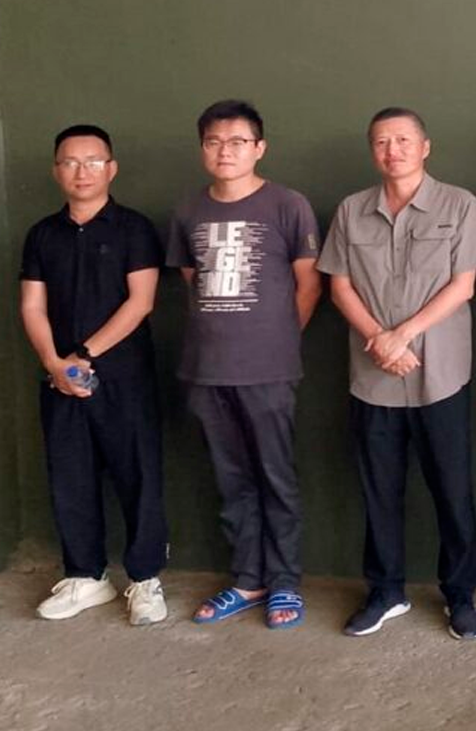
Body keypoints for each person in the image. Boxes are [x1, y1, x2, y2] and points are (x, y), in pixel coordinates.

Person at [318, 107, 476, 640]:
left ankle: (460, 596)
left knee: (452, 491)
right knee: (379, 492)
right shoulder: (352, 210)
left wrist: (404, 334)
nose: (392, 150)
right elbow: (339, 287)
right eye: (381, 142)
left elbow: (463, 285)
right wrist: (380, 338)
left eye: (402, 140)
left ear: (425, 147)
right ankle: (385, 591)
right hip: (373, 375)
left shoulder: (459, 204)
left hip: (440, 374)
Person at [167, 100, 322, 630]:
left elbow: (308, 285)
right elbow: (192, 280)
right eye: (213, 142)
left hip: (269, 370)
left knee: (275, 477)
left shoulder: (288, 205)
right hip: (205, 370)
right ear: (202, 149)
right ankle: (248, 579)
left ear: (259, 148)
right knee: (231, 480)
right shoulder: (188, 210)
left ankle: (284, 581)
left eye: (237, 142)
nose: (225, 151)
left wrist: (275, 342)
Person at [20, 124, 169, 625]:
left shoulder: (134, 228)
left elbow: (141, 302)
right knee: (70, 476)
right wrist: (54, 363)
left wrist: (83, 355)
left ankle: (145, 579)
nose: (81, 172)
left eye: (92, 161)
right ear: (56, 170)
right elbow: (32, 305)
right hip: (60, 379)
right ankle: (86, 576)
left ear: (111, 168)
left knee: (137, 475)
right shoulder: (42, 234)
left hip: (125, 378)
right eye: (70, 162)